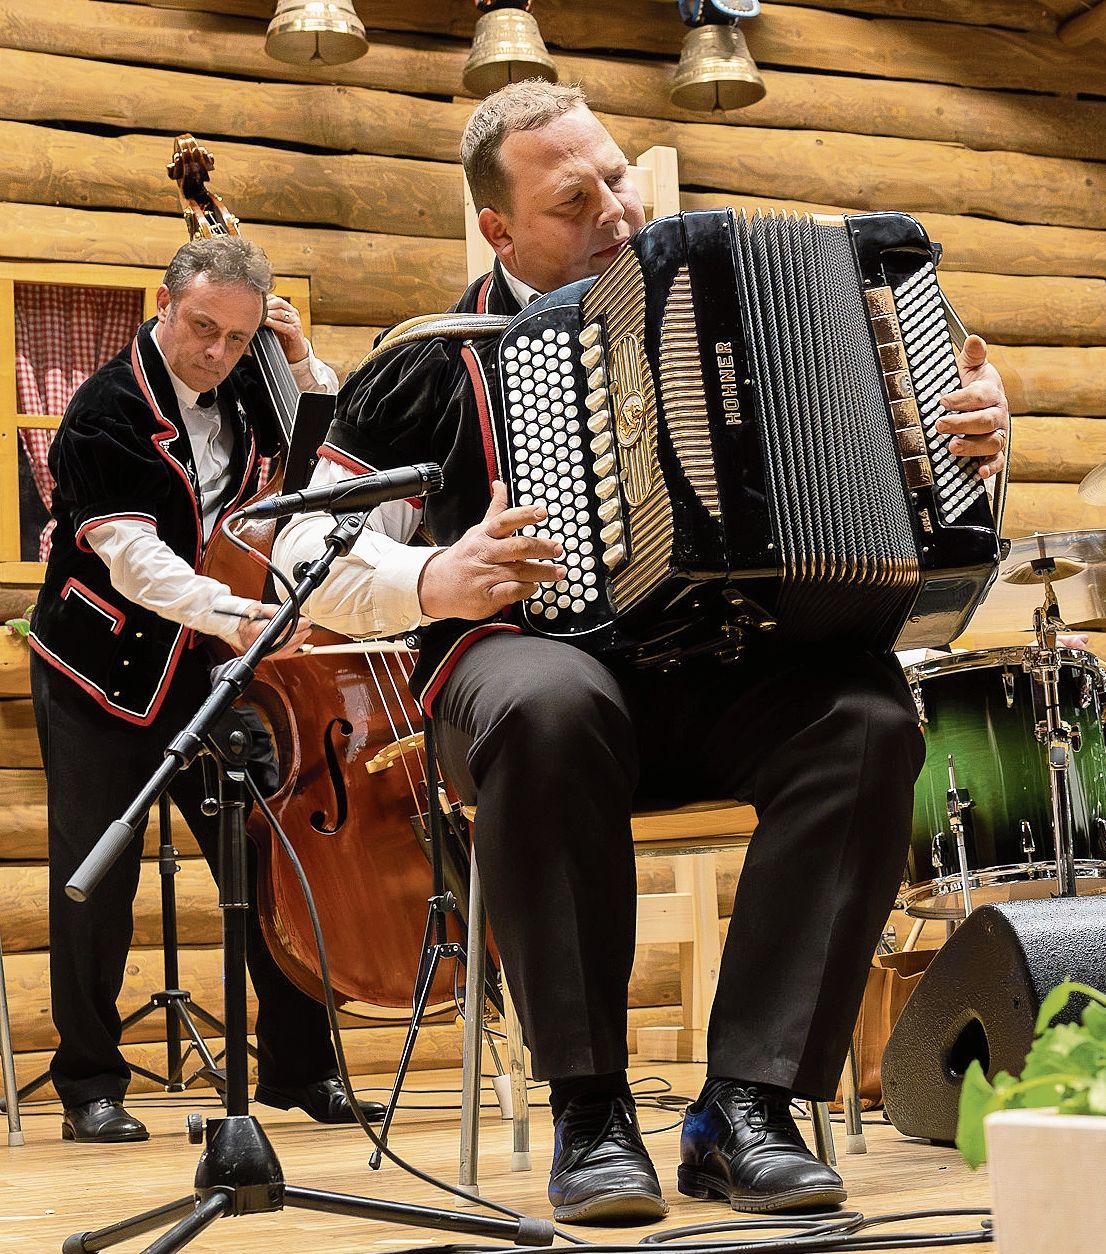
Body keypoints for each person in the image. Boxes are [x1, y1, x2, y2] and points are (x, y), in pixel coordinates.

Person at [274, 82, 1010, 1222]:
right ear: (498, 229)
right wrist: (435, 576)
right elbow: (299, 554)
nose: (614, 211)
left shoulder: (734, 306)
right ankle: (590, 1110)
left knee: (865, 723)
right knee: (549, 701)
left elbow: (907, 484)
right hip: (526, 681)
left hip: (724, 689)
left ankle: (745, 1111)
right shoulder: (430, 363)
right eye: (573, 200)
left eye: (616, 177)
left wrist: (963, 443)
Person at [29, 235, 385, 1143]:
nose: (217, 353)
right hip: (100, 671)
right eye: (202, 330)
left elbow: (320, 461)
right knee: (96, 871)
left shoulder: (250, 391)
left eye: (235, 338)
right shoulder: (101, 407)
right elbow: (134, 559)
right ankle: (88, 1084)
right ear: (164, 302)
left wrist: (301, 363)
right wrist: (237, 616)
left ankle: (299, 1071)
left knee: (266, 857)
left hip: (206, 674)